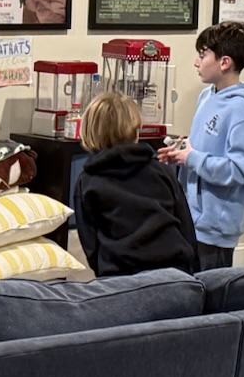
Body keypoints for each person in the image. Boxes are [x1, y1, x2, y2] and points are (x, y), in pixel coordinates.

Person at [159, 21, 244, 271]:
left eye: (202, 54)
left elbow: (243, 169)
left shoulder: (241, 110)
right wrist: (181, 150)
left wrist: (192, 158)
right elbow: (204, 147)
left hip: (216, 227)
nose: (196, 62)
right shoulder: (207, 96)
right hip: (191, 217)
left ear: (224, 62)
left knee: (211, 289)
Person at [72, 91, 197, 276]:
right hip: (174, 272)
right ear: (135, 130)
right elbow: (186, 227)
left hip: (121, 278)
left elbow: (91, 244)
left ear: (89, 131)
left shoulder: (87, 181)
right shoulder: (161, 171)